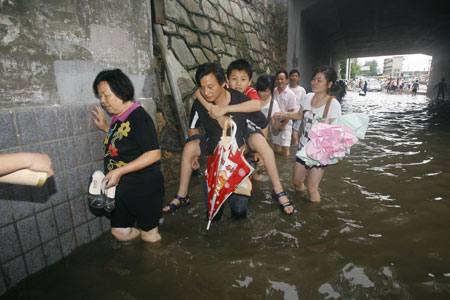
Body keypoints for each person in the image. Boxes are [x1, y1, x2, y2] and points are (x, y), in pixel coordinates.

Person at [162, 62, 294, 215]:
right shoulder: (199, 103)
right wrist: (196, 155)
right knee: (213, 214)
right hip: (215, 153)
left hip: (237, 156)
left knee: (239, 212)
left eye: (210, 87)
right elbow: (193, 128)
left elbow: (262, 122)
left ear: (223, 83)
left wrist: (257, 152)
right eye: (202, 88)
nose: (206, 92)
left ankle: (278, 191)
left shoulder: (241, 99)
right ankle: (182, 196)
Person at [91, 69, 164, 243]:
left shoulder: (139, 117)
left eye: (106, 95)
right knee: (119, 232)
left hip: (144, 187)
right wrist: (106, 128)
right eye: (99, 96)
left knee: (149, 236)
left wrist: (119, 171)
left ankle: (155, 260)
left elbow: (153, 154)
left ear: (120, 90)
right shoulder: (118, 117)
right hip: (121, 188)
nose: (102, 101)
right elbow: (127, 140)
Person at [274, 65, 342, 202]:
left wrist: (325, 127)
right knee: (297, 182)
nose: (314, 82)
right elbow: (299, 115)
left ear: (329, 84)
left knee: (312, 188)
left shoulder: (333, 104)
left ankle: (313, 216)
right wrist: (284, 114)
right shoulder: (308, 97)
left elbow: (337, 132)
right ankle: (300, 203)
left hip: (319, 152)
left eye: (319, 80)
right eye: (314, 79)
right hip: (303, 148)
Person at [194, 58, 262, 119]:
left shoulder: (249, 91)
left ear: (249, 82)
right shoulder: (224, 87)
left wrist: (225, 109)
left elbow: (258, 105)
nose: (238, 83)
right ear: (227, 80)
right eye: (234, 79)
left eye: (243, 79)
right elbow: (198, 92)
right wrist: (212, 109)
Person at [252, 73, 282, 181]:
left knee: (260, 164)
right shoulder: (250, 99)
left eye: (266, 91)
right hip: (247, 135)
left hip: (261, 138)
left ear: (271, 90)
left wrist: (278, 119)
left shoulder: (273, 106)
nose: (262, 94)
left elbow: (275, 128)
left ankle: (257, 179)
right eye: (260, 90)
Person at [272, 70, 297, 156]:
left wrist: (284, 125)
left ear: (286, 80)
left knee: (285, 148)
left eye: (282, 79)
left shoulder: (291, 94)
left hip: (286, 122)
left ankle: (286, 164)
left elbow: (290, 112)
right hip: (275, 122)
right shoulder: (273, 91)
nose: (280, 81)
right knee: (276, 146)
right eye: (278, 79)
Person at [287, 69, 306, 145]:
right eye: (292, 76)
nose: (294, 78)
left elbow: (304, 104)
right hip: (287, 113)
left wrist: (301, 115)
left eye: (296, 76)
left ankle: (295, 151)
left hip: (297, 114)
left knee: (295, 135)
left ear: (298, 78)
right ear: (289, 77)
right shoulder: (286, 88)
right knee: (286, 134)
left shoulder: (302, 90)